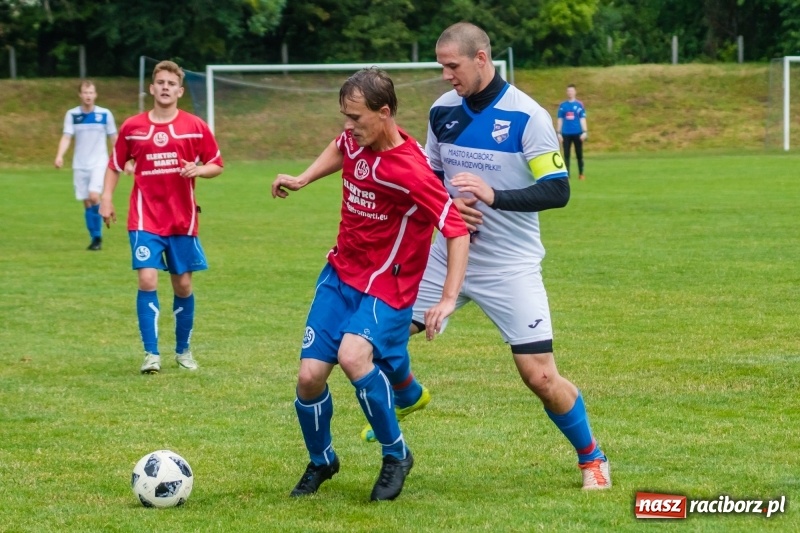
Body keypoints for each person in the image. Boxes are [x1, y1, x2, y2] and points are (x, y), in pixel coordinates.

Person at [361, 22, 611, 490]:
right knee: (376, 339)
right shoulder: (442, 112)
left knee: (539, 376)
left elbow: (557, 191)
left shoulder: (527, 116)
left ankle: (591, 456)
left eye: (452, 66)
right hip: (445, 255)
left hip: (509, 266)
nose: (445, 75)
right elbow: (430, 178)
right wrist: (449, 204)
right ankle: (408, 397)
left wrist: (495, 196)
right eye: (441, 66)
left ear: (481, 59)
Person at [271, 68, 470, 501]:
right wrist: (303, 178)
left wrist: (447, 298)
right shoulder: (357, 139)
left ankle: (396, 454)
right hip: (340, 275)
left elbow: (455, 227)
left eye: (356, 117)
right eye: (345, 115)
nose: (348, 126)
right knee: (308, 378)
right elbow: (339, 147)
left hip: (387, 286)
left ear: (384, 113)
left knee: (353, 356)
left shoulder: (411, 169)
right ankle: (323, 461)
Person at [99, 60, 223, 374]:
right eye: (161, 82)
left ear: (180, 91)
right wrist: (106, 199)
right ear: (152, 88)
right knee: (147, 278)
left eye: (171, 83)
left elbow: (217, 164)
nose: (165, 87)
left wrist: (199, 169)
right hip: (145, 217)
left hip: (182, 219)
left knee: (182, 285)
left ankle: (183, 351)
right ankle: (151, 354)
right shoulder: (132, 127)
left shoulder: (194, 126)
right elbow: (115, 164)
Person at [54, 80, 118, 250]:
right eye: (85, 92)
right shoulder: (72, 115)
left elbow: (114, 138)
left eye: (91, 92)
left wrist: (123, 160)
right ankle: (95, 237)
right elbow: (67, 137)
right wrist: (60, 156)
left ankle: (97, 238)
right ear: (80, 95)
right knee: (87, 202)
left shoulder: (105, 114)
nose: (88, 96)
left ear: (95, 95)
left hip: (99, 163)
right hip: (80, 165)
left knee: (94, 196)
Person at [556, 84, 588, 180]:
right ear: (567, 92)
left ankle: (581, 173)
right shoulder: (563, 105)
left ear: (575, 92)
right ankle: (567, 174)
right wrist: (558, 133)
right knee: (566, 155)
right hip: (566, 133)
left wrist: (585, 132)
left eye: (571, 91)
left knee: (579, 154)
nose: (570, 93)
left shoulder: (579, 105)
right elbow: (560, 119)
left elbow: (582, 119)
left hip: (577, 133)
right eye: (568, 91)